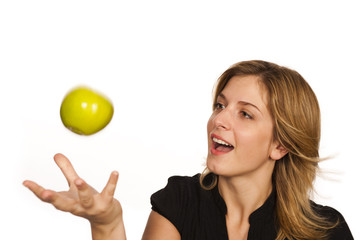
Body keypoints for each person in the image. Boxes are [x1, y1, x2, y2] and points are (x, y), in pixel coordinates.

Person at [23, 60, 353, 240]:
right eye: (220, 105)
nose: (219, 119)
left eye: (245, 113)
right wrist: (107, 224)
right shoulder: (180, 201)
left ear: (280, 145)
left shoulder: (327, 231)